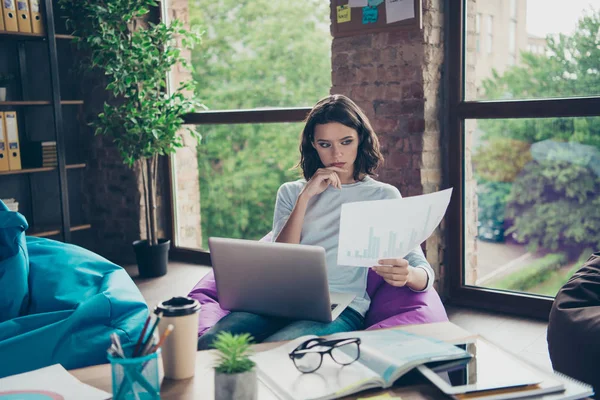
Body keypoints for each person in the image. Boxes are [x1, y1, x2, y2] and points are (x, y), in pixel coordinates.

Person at [197, 94, 434, 350]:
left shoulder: (382, 195)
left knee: (278, 350)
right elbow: (279, 259)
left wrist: (409, 275)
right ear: (313, 144)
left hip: (341, 307)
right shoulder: (291, 192)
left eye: (346, 141)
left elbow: (420, 267)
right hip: (279, 300)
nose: (337, 153)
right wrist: (305, 197)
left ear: (361, 139)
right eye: (325, 144)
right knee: (210, 343)